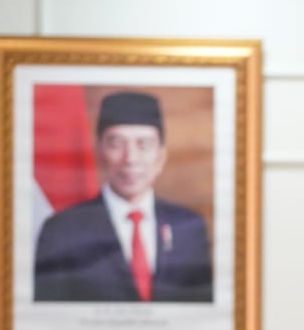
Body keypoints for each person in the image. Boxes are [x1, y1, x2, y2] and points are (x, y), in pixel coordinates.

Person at [34, 91, 212, 304]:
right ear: (99, 152)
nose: (131, 159)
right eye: (116, 144)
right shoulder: (62, 230)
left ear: (161, 157)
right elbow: (48, 319)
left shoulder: (189, 228)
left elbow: (203, 316)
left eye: (143, 145)